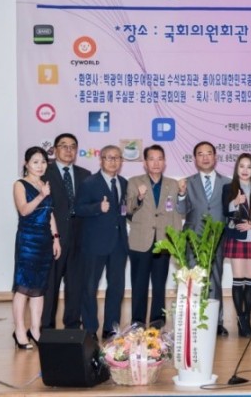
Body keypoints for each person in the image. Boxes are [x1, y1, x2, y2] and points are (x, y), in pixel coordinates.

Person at [176, 141, 232, 337]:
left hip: (217, 236)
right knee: (194, 278)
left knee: (215, 278)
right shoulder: (187, 182)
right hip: (193, 236)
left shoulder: (228, 183)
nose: (205, 157)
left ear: (215, 157)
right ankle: (194, 319)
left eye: (209, 153)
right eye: (200, 154)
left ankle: (217, 322)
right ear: (195, 159)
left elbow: (231, 211)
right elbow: (181, 210)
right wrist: (181, 195)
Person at [125, 144, 184, 328]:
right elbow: (127, 210)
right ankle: (138, 320)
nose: (156, 163)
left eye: (160, 159)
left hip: (163, 240)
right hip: (140, 239)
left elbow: (178, 213)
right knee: (139, 283)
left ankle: (158, 319)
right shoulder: (134, 182)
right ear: (145, 162)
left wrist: (177, 241)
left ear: (164, 162)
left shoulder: (173, 184)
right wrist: (139, 198)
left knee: (159, 283)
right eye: (151, 159)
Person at [75, 145, 128, 340]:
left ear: (121, 161)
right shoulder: (89, 183)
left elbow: (125, 211)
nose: (113, 161)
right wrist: (98, 207)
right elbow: (78, 208)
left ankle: (110, 328)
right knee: (89, 287)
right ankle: (90, 329)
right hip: (94, 244)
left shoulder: (123, 182)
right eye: (109, 158)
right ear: (101, 160)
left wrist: (138, 201)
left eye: (117, 158)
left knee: (116, 288)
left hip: (119, 244)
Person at [12, 147, 61, 349]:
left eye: (43, 162)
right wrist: (41, 196)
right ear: (26, 164)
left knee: (39, 288)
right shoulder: (20, 184)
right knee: (23, 287)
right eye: (35, 162)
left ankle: (35, 330)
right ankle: (19, 331)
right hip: (28, 240)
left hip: (44, 241)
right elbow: (24, 210)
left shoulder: (44, 184)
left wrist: (56, 238)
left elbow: (50, 214)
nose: (40, 166)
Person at [41, 133, 90, 330]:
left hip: (79, 239)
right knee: (50, 286)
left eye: (72, 146)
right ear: (54, 150)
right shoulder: (45, 173)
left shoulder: (85, 175)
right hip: (53, 239)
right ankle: (46, 328)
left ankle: (72, 326)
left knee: (75, 285)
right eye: (64, 146)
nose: (68, 150)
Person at [222, 153, 251, 337]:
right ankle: (240, 318)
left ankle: (247, 318)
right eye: (242, 166)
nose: (245, 170)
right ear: (237, 168)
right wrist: (235, 202)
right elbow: (225, 211)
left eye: (249, 167)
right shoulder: (229, 188)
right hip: (237, 238)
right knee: (238, 280)